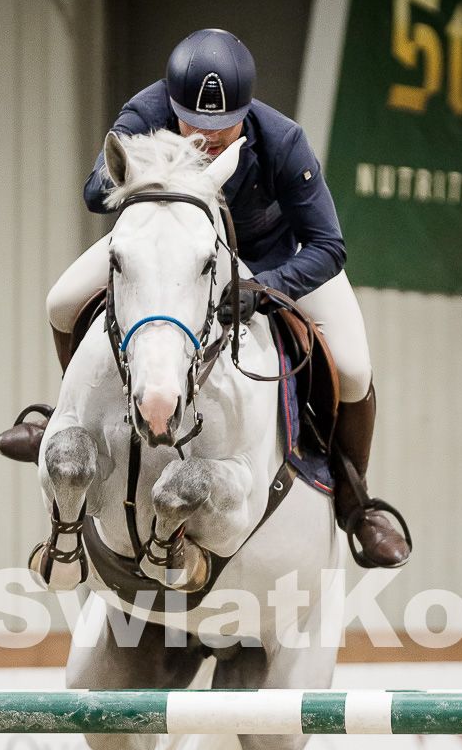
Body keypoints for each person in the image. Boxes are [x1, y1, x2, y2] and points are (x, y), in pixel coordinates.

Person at [46, 28, 409, 567]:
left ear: (247, 109)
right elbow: (96, 195)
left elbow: (329, 246)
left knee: (353, 368)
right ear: (172, 105)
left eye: (223, 125)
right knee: (61, 301)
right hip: (170, 251)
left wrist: (268, 290)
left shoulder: (283, 141)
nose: (210, 136)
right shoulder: (145, 112)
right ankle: (67, 414)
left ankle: (356, 503)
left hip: (271, 261)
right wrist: (122, 169)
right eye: (195, 122)